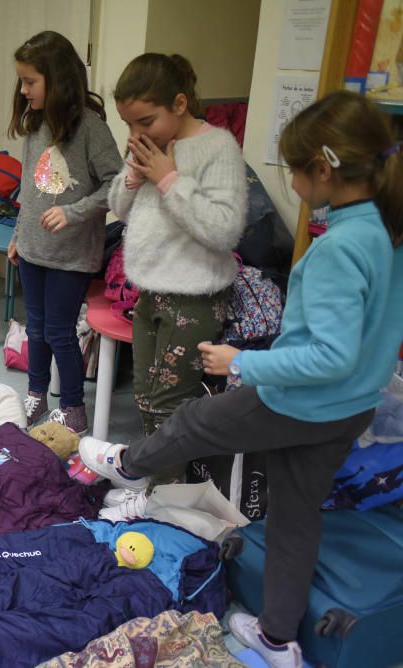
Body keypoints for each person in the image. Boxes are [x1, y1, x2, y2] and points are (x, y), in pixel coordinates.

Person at [80, 90, 403, 668]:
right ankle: (279, 639)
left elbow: (328, 356)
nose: (290, 185)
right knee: (295, 516)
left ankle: (126, 464)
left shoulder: (341, 250)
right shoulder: (387, 235)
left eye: (294, 171)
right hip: (350, 407)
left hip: (306, 402)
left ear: (323, 171)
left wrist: (240, 361)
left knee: (197, 418)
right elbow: (362, 346)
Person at [107, 53, 247, 483]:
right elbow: (117, 208)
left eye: (145, 121)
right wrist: (132, 178)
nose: (135, 134)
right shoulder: (150, 147)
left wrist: (169, 178)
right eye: (129, 125)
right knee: (146, 398)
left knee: (171, 404)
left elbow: (225, 230)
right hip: (150, 292)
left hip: (195, 298)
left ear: (180, 104)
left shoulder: (217, 146)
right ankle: (160, 487)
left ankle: (166, 497)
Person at [5, 30, 122, 433]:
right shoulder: (36, 124)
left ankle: (73, 406)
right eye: (21, 81)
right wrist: (19, 234)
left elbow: (116, 186)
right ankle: (37, 393)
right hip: (33, 250)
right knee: (34, 327)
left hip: (72, 255)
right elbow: (28, 186)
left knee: (59, 331)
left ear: (57, 81)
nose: (23, 91)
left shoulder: (91, 127)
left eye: (30, 81)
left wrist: (73, 213)